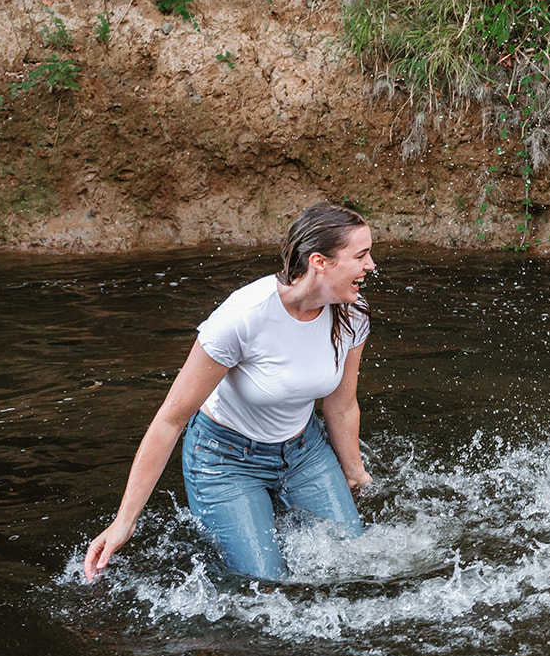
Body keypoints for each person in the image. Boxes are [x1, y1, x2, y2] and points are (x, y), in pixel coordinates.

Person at [84, 202, 377, 581]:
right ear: (320, 262)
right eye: (361, 255)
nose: (371, 266)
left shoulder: (352, 313)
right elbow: (171, 420)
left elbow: (341, 403)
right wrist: (125, 521)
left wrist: (354, 472)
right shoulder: (243, 317)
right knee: (265, 584)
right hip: (226, 461)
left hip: (304, 451)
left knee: (352, 564)